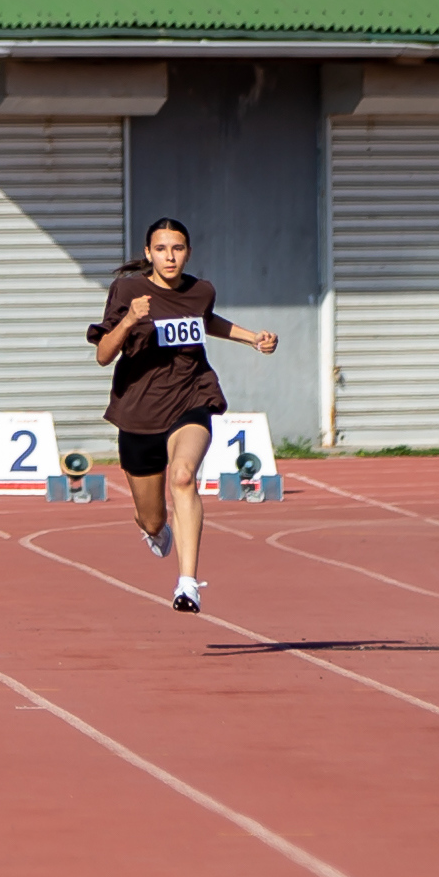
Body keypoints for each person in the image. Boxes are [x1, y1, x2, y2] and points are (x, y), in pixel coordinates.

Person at [89, 217, 278, 614]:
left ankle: (187, 583)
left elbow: (205, 321)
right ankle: (156, 531)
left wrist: (252, 338)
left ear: (188, 252)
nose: (169, 256)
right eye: (161, 249)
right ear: (148, 254)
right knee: (152, 519)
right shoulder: (128, 290)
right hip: (138, 412)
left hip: (191, 397)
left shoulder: (201, 290)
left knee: (183, 476)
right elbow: (104, 355)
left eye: (177, 248)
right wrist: (128, 320)